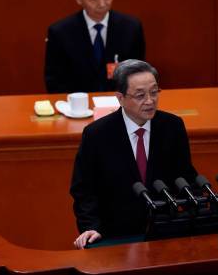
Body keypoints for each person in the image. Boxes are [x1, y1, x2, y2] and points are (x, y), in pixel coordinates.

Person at [70, 59, 197, 249]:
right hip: (115, 234)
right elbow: (84, 190)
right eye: (140, 95)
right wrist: (90, 227)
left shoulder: (172, 127)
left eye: (154, 92)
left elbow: (185, 177)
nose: (150, 100)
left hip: (164, 232)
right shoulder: (97, 134)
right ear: (120, 98)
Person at [44, 0, 146, 93]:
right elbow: (54, 82)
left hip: (119, 105)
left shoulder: (131, 28)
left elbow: (138, 75)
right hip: (77, 107)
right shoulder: (60, 33)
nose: (102, 3)